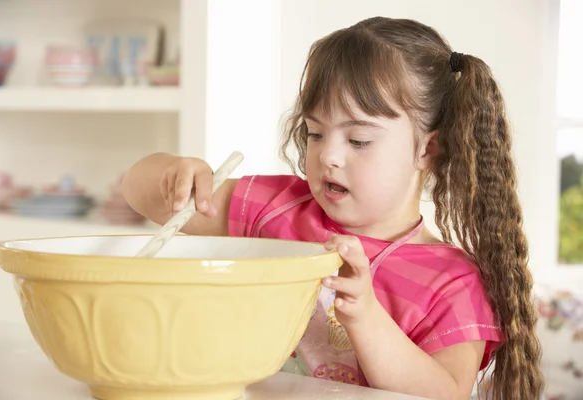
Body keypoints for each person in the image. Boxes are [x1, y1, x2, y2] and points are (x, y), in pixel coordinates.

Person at [122, 16, 544, 400]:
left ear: (427, 149)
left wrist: (365, 316)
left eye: (358, 140)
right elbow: (140, 194)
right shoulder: (275, 210)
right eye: (315, 133)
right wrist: (175, 173)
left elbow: (446, 392)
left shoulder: (452, 282)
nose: (328, 156)